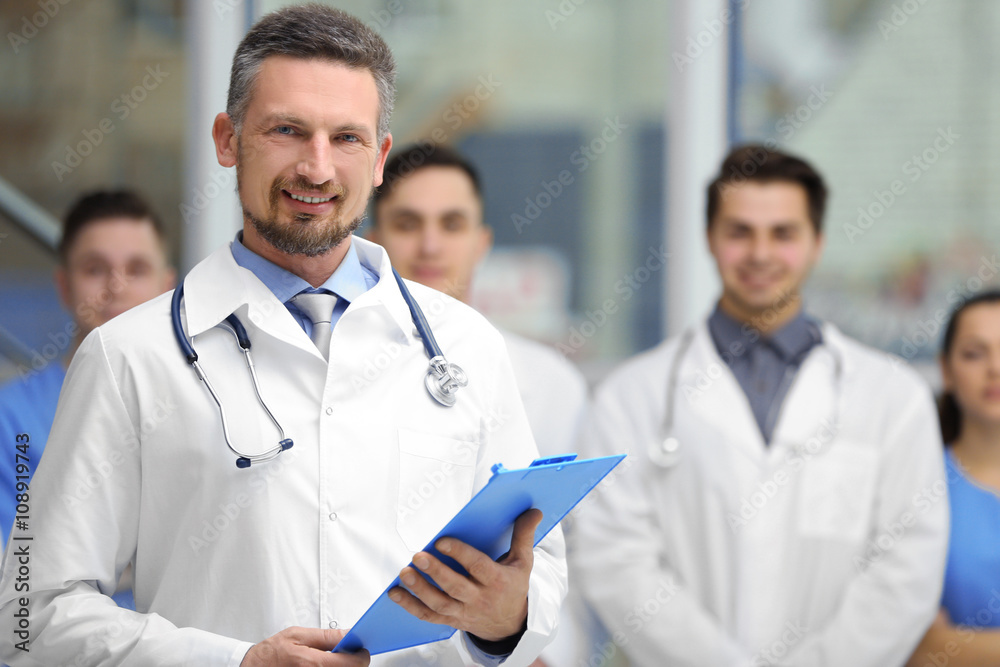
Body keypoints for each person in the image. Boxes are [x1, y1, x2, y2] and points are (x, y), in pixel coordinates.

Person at [0, 6, 565, 666]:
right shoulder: (129, 356)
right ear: (227, 140)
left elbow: (540, 571)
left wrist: (507, 616)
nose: (318, 169)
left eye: (347, 138)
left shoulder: (464, 347)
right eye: (288, 131)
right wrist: (235, 662)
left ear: (380, 157)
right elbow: (31, 615)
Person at [572, 144, 948, 666]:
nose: (760, 254)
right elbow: (614, 559)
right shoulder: (632, 397)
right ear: (709, 239)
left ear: (817, 242)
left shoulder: (892, 397)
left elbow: (907, 566)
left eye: (783, 233)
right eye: (739, 231)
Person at [369, 144, 593, 666]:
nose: (429, 245)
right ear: (374, 242)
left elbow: (573, 554)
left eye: (452, 224)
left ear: (482, 242)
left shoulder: (553, 384)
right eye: (407, 223)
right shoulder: (343, 376)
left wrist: (541, 650)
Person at [0, 189, 175, 551]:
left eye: (137, 269)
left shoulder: (208, 400)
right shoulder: (12, 417)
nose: (116, 287)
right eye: (95, 269)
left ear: (167, 287)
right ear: (64, 286)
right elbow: (14, 566)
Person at [908, 291, 1000, 667]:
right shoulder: (916, 488)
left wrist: (966, 647)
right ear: (946, 370)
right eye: (974, 354)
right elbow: (916, 648)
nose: (995, 368)